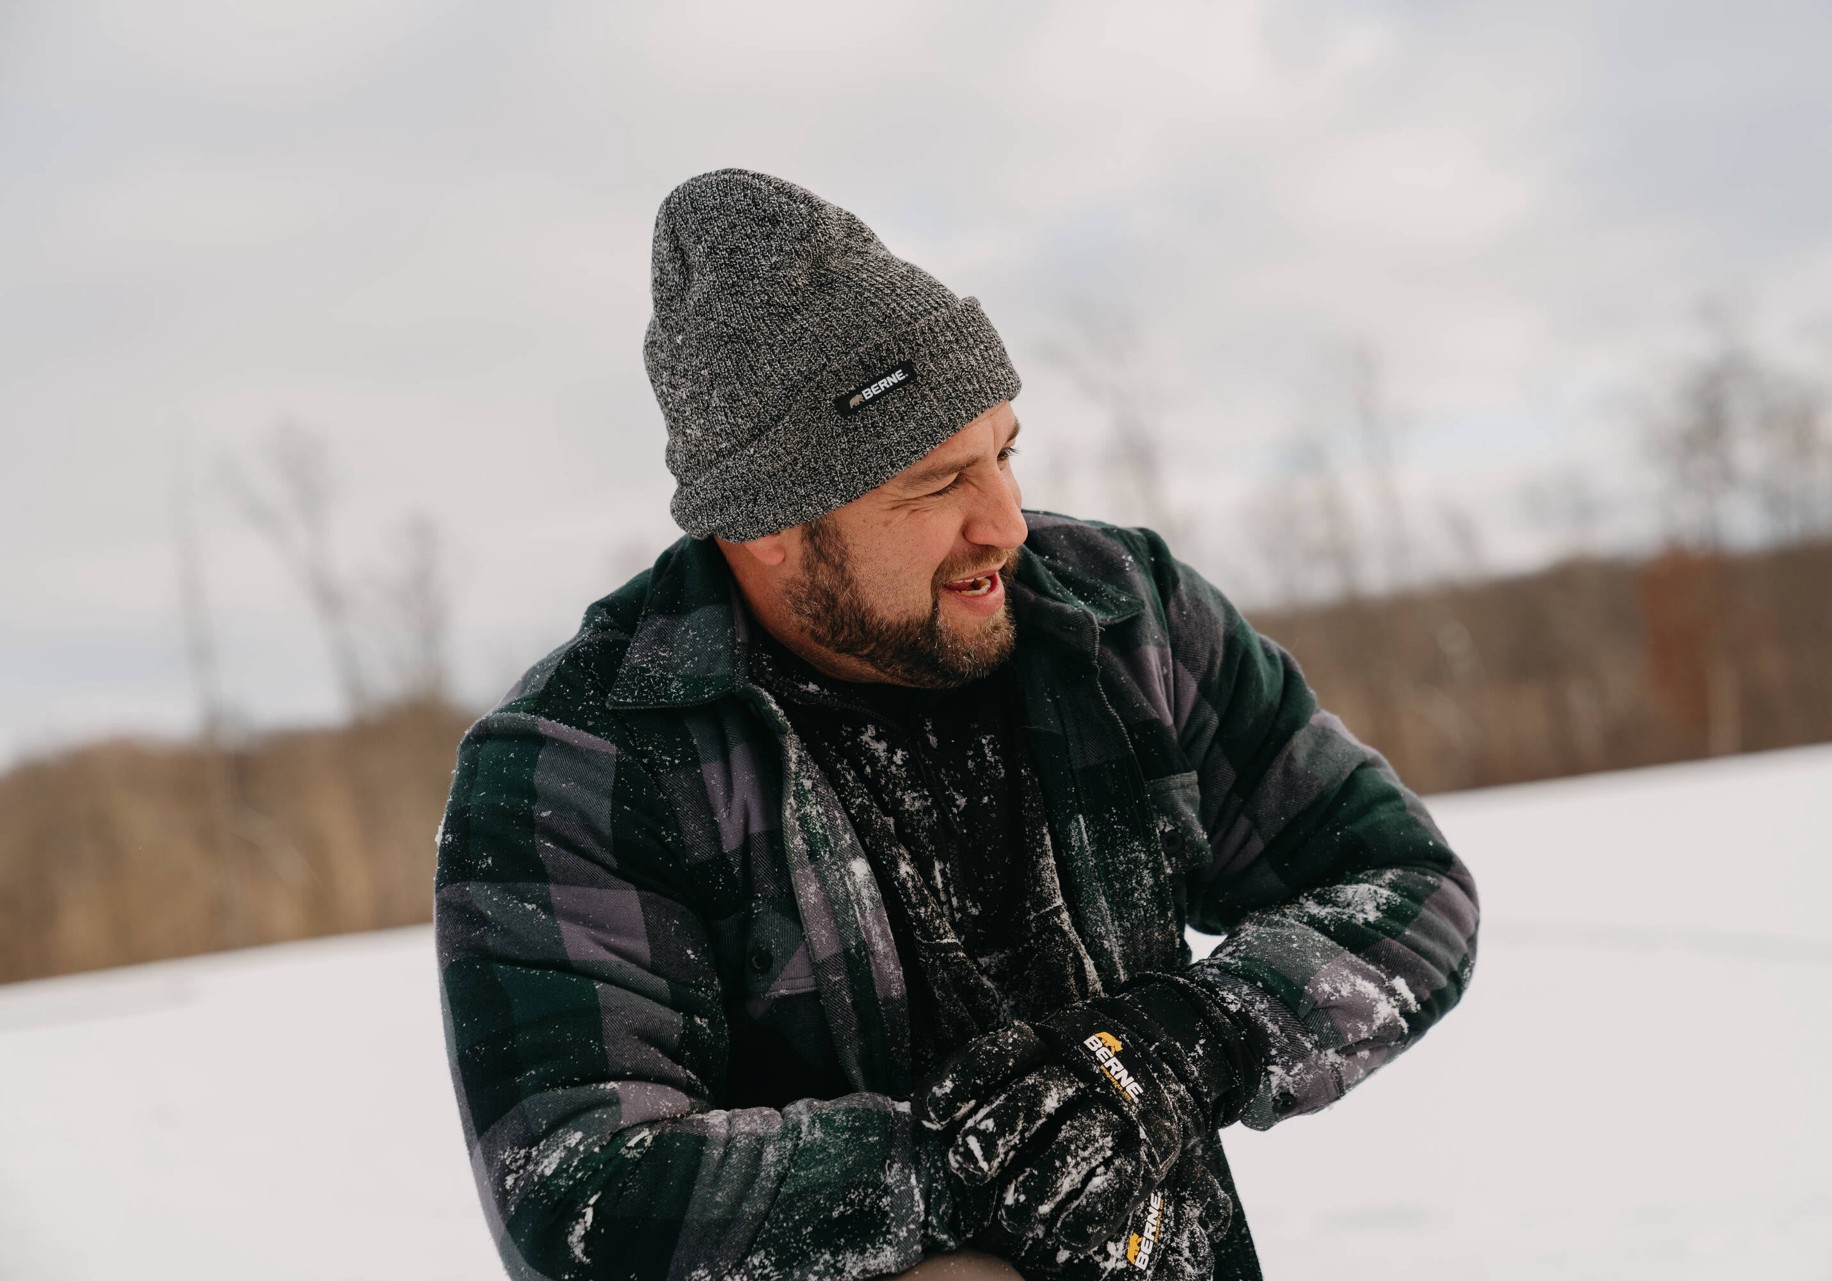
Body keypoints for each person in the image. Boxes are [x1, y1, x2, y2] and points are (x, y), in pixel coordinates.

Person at [434, 169, 1478, 1281]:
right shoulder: (578, 761)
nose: (1006, 524)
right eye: (935, 486)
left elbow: (1409, 888)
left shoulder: (1124, 617)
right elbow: (578, 1194)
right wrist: (954, 1164)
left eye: (1005, 453)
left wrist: (1187, 1044)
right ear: (771, 525)